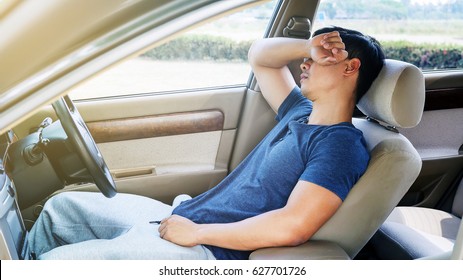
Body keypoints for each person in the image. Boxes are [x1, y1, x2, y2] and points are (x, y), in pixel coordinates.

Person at [28, 26, 385, 260]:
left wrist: (196, 232)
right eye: (308, 56)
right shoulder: (299, 112)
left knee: (53, 265)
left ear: (350, 68)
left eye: (319, 57)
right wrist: (308, 44)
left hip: (208, 251)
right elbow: (260, 55)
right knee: (60, 210)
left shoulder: (340, 146)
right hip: (182, 217)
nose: (305, 63)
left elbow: (293, 226)